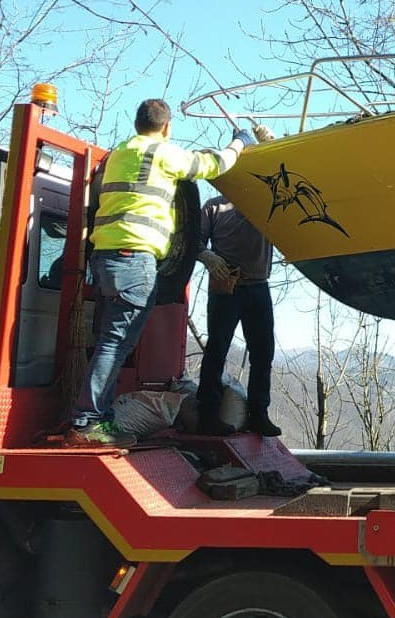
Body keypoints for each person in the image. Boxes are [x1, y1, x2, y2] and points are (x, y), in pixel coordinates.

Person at [65, 99, 255, 447]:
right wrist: (241, 141)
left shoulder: (120, 153)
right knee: (115, 344)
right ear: (166, 128)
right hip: (134, 259)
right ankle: (87, 421)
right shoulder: (162, 153)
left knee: (112, 341)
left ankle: (97, 419)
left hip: (105, 257)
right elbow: (212, 164)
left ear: (137, 123)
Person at [194, 182, 282, 437]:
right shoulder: (213, 206)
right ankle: (207, 415)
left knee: (263, 352)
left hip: (258, 286)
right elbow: (194, 242)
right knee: (217, 349)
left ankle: (258, 414)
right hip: (226, 288)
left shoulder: (264, 205)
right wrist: (208, 257)